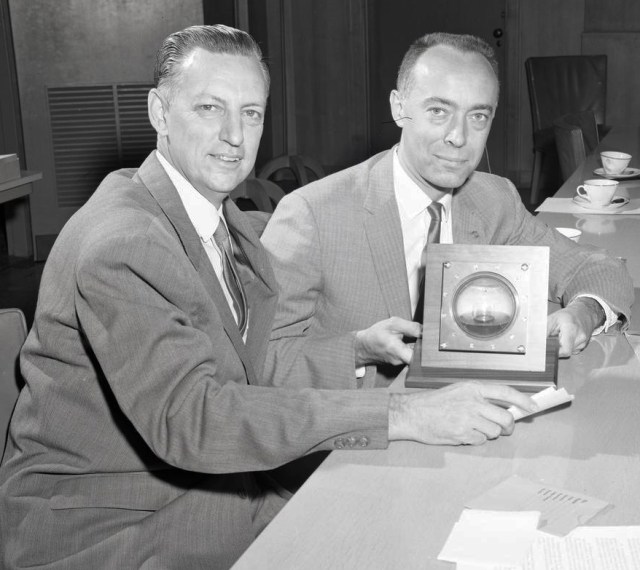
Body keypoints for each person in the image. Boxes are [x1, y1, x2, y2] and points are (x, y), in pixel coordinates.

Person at [0, 26, 537, 570]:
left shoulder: (218, 219)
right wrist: (404, 413)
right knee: (395, 537)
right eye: (210, 107)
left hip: (209, 486)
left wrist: (354, 349)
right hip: (110, 523)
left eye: (252, 113)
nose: (235, 135)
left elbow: (250, 369)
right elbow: (195, 419)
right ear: (159, 113)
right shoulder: (124, 242)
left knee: (424, 513)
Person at [261, 32, 633, 392]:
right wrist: (357, 349)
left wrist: (585, 313)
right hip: (365, 435)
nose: (458, 137)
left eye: (478, 117)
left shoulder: (494, 199)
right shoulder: (312, 214)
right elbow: (262, 362)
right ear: (399, 107)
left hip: (471, 415)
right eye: (439, 111)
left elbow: (600, 269)